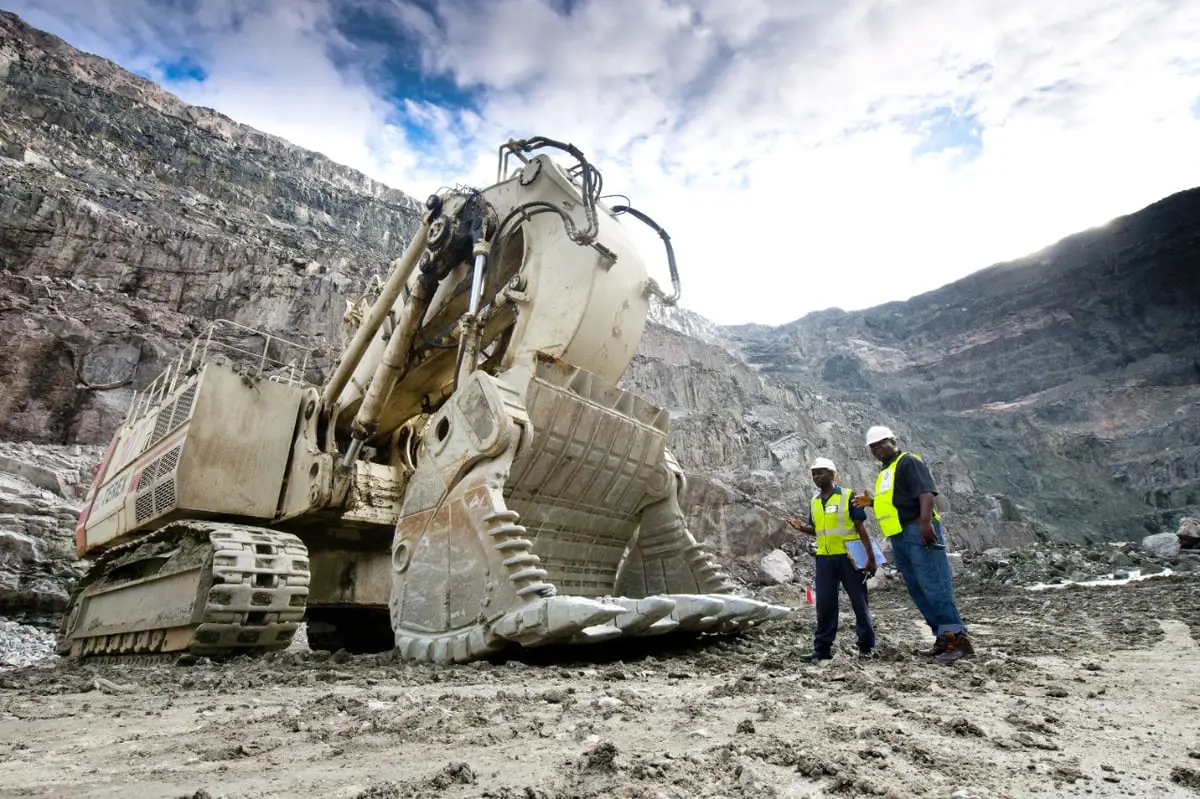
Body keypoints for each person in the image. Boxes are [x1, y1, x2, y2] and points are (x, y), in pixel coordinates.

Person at [854, 426, 974, 664]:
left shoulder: (908, 461)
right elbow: (898, 501)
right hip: (900, 535)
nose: (877, 449)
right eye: (873, 446)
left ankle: (958, 640)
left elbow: (926, 492)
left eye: (881, 443)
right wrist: (873, 502)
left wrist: (925, 522)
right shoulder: (887, 471)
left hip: (917, 530)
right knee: (918, 588)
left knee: (934, 584)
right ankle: (942, 638)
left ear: (892, 441)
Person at [785, 457, 878, 661]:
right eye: (813, 474)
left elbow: (861, 528)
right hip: (825, 559)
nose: (816, 477)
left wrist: (870, 558)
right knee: (825, 604)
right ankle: (822, 650)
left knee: (859, 603)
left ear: (833, 474)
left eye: (821, 472)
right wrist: (802, 528)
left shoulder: (848, 496)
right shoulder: (815, 501)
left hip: (849, 558)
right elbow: (819, 530)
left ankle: (866, 647)